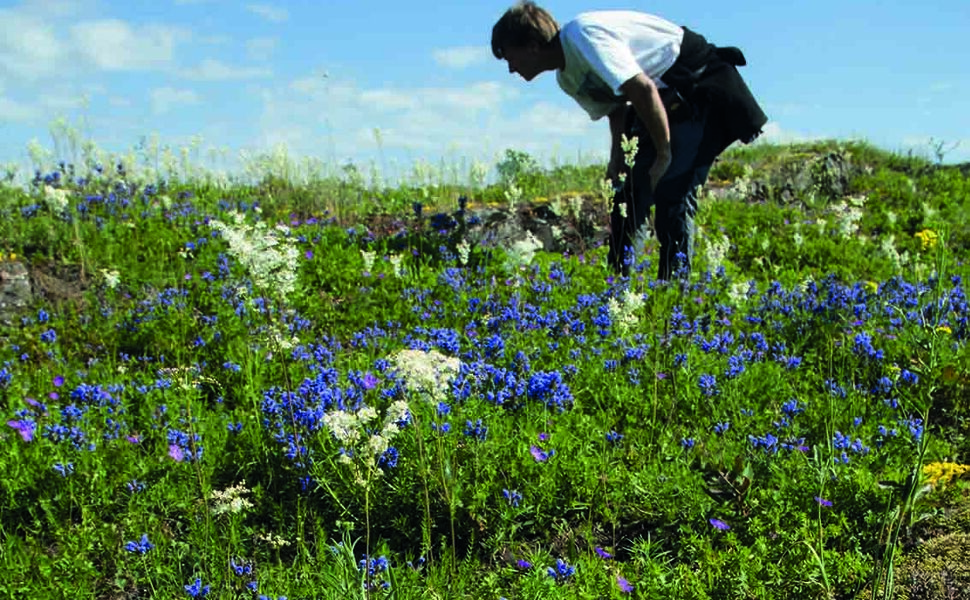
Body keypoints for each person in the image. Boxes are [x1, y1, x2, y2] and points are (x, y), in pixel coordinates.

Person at [491, 2, 767, 279]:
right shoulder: (568, 79)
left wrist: (663, 154)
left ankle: (676, 296)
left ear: (531, 46)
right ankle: (619, 289)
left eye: (508, 56)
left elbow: (642, 87)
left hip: (697, 86)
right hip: (660, 104)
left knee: (672, 191)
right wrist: (618, 160)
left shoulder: (583, 35)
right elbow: (616, 108)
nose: (511, 69)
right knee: (628, 198)